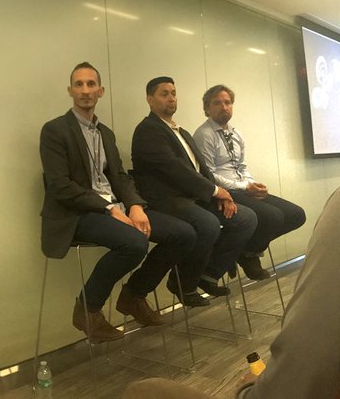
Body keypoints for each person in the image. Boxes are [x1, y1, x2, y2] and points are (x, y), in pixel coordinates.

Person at [122, 187, 340, 399]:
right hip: (173, 195)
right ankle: (187, 280)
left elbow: (311, 363)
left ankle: (221, 265)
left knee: (144, 392)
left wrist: (252, 389)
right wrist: (220, 190)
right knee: (222, 223)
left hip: (204, 191)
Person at [40, 63, 195, 342]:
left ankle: (133, 295)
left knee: (183, 234)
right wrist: (109, 208)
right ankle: (87, 309)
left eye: (90, 84)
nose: (85, 90)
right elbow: (60, 186)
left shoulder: (105, 133)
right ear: (70, 91)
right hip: (76, 213)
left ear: (100, 91)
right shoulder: (55, 130)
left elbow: (120, 177)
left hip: (114, 208)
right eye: (79, 84)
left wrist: (135, 206)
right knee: (134, 242)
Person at [131, 77, 257, 306]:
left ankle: (208, 274)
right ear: (150, 100)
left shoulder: (182, 132)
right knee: (207, 224)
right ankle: (183, 282)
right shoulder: (148, 130)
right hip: (165, 199)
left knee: (245, 218)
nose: (171, 98)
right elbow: (175, 170)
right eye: (164, 94)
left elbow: (201, 169)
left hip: (192, 196)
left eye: (173, 93)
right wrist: (214, 190)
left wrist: (220, 193)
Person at [192, 85, 306, 280]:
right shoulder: (204, 134)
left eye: (228, 102)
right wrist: (245, 187)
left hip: (243, 187)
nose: (224, 107)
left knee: (296, 214)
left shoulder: (236, 134)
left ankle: (244, 251)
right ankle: (248, 255)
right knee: (272, 217)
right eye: (217, 103)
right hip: (224, 191)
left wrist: (253, 184)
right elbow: (208, 174)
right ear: (207, 108)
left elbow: (241, 167)